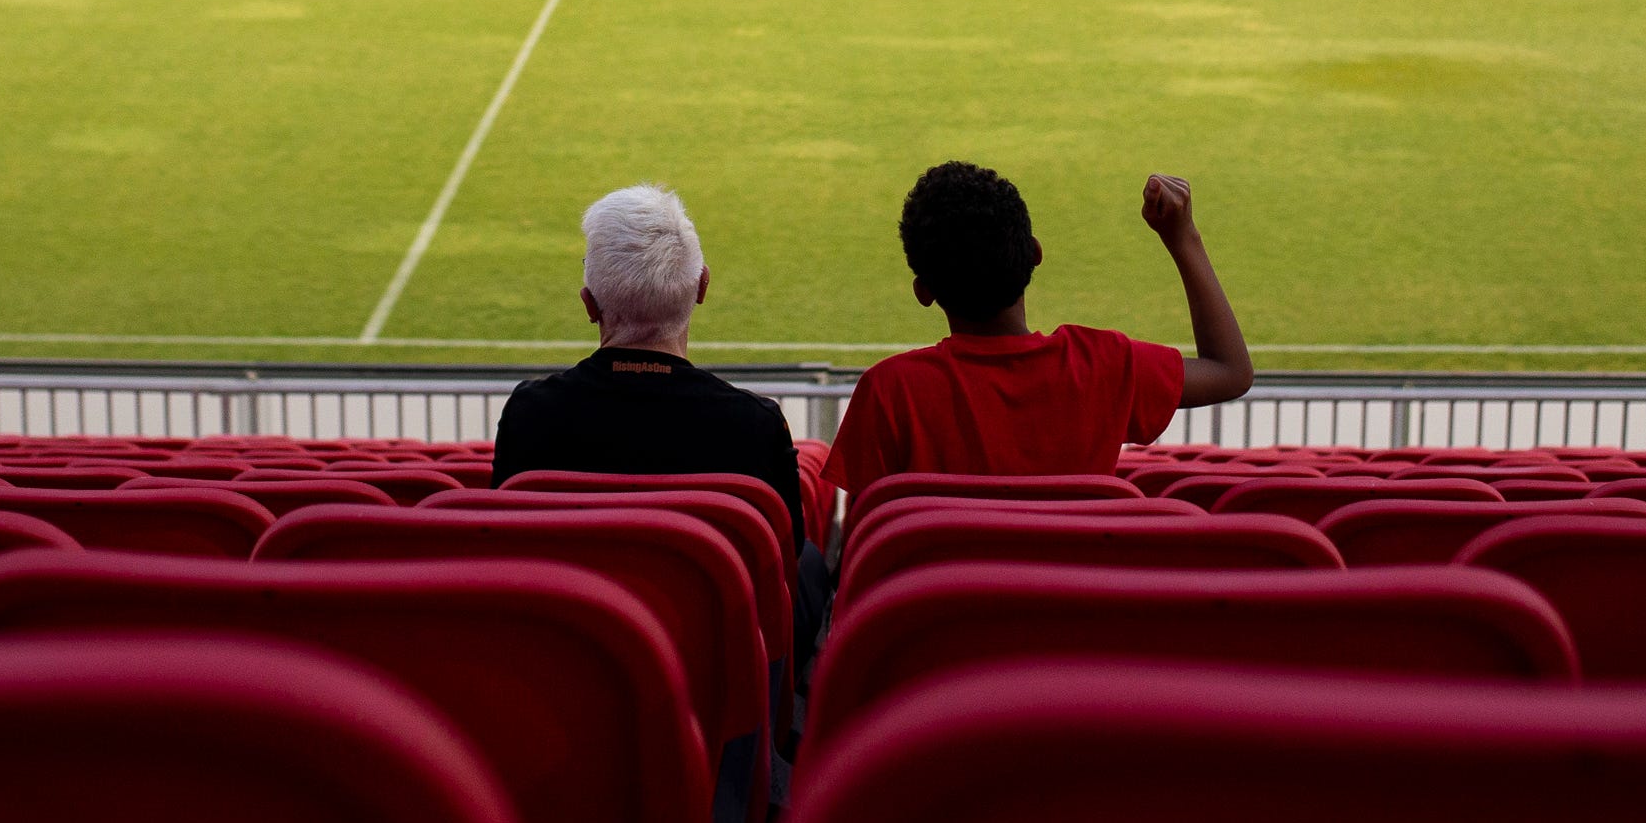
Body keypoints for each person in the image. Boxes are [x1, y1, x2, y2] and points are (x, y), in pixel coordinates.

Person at [825, 162, 1253, 493]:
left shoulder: (888, 392)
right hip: (1073, 609)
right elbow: (1231, 371)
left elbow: (867, 548)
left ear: (924, 292)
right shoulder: (1105, 365)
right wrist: (1183, 238)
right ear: (1034, 254)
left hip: (948, 610)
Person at [489, 183, 806, 542]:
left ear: (589, 305)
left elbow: (508, 544)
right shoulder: (755, 426)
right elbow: (786, 558)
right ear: (702, 287)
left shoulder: (529, 414)